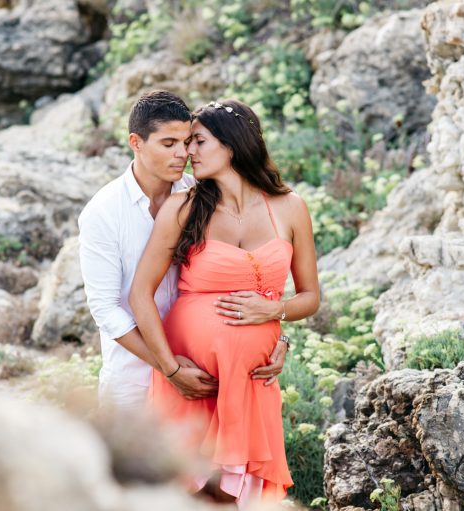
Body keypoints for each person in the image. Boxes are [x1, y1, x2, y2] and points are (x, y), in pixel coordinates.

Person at [129, 99, 320, 507]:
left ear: (231, 145)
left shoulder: (290, 207)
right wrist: (171, 367)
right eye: (183, 143)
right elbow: (139, 294)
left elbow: (310, 297)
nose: (187, 153)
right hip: (190, 379)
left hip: (250, 380)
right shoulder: (184, 207)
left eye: (198, 141)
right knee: (187, 493)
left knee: (234, 499)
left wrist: (275, 313)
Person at [78, 91, 287, 411]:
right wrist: (169, 367)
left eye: (187, 141)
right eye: (168, 144)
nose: (183, 153)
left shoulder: (201, 195)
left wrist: (278, 340)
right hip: (134, 381)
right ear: (136, 142)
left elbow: (245, 274)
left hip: (206, 373)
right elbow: (106, 310)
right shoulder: (103, 213)